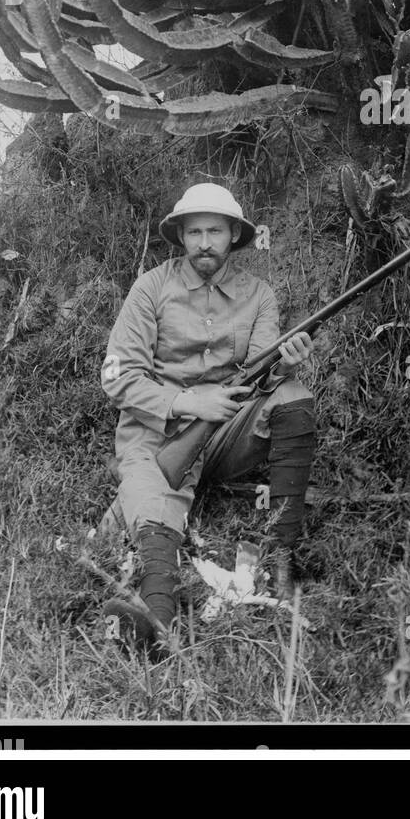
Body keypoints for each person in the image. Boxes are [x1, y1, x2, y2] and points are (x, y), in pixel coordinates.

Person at [98, 182, 316, 649]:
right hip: (153, 433)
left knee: (294, 397)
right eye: (193, 231)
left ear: (234, 234)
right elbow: (117, 377)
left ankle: (279, 558)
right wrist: (187, 403)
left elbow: (266, 378)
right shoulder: (150, 288)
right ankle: (157, 621)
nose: (203, 243)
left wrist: (286, 364)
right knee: (155, 509)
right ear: (180, 236)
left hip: (225, 433)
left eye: (214, 231)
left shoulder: (259, 295)